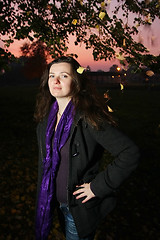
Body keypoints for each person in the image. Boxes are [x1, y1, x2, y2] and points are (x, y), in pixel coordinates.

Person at [34, 56, 140, 240]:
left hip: (78, 210)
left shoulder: (89, 118)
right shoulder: (45, 122)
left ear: (76, 82)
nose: (56, 80)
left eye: (64, 75)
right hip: (54, 203)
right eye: (52, 75)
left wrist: (97, 187)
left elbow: (130, 153)